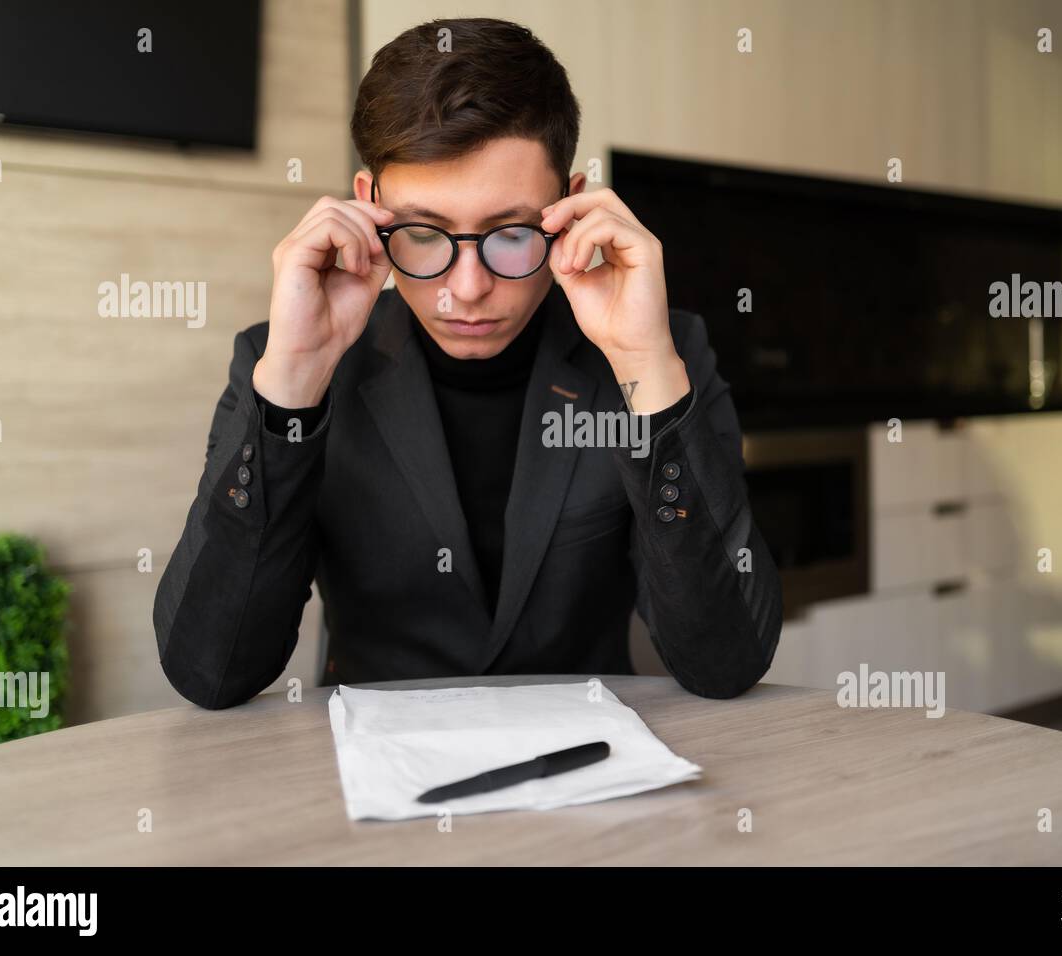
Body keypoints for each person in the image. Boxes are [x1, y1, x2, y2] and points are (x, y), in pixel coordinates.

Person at [153, 16, 782, 709]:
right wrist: (294, 383)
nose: (469, 287)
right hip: (373, 785)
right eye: (424, 234)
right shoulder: (279, 361)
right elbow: (211, 673)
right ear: (369, 209)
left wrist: (644, 365)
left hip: (587, 775)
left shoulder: (664, 351)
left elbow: (728, 663)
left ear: (568, 207)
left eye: (511, 233)